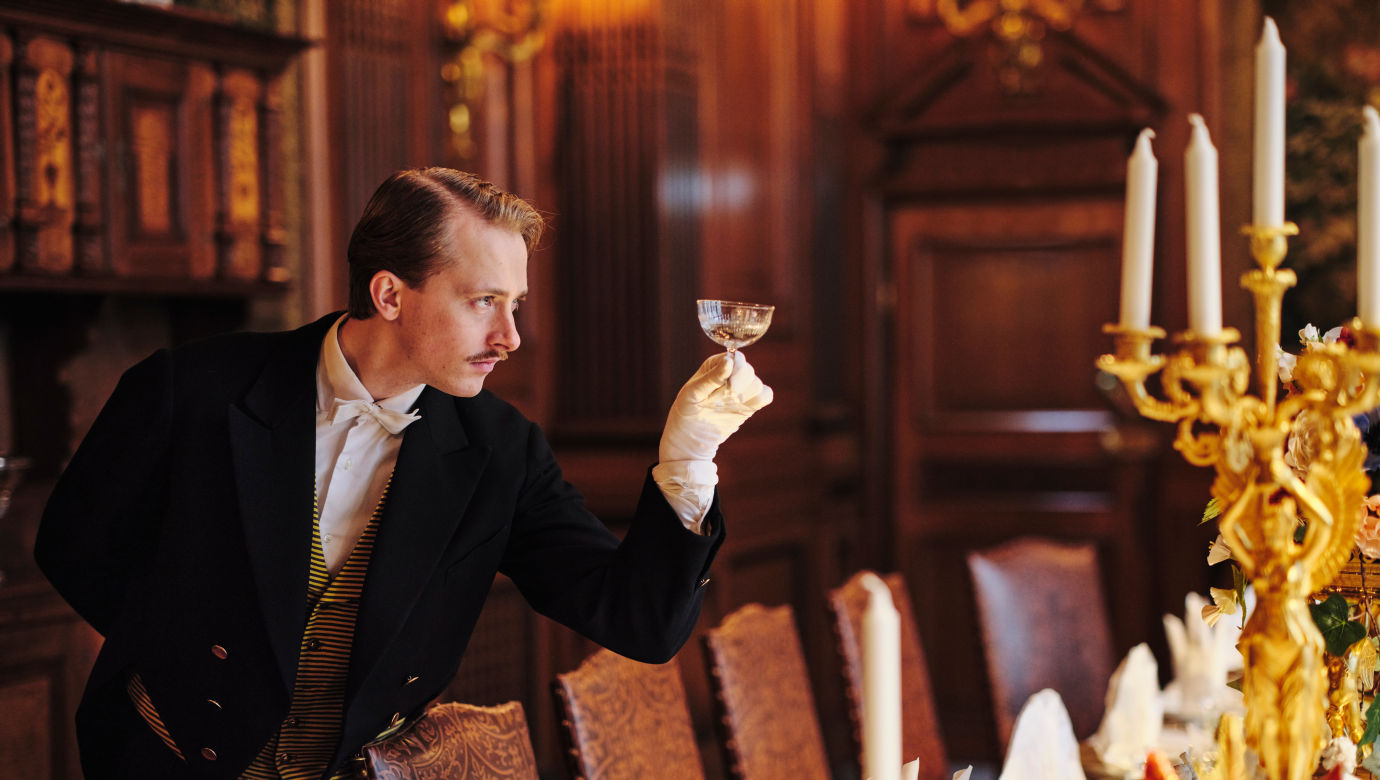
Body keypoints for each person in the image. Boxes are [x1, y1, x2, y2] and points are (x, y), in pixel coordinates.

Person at [35, 167, 772, 780]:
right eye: (484, 301)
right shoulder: (191, 389)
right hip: (157, 761)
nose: (510, 337)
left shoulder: (502, 450)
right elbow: (75, 548)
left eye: (514, 305)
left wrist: (687, 460)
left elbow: (637, 621)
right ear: (390, 294)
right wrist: (192, 660)